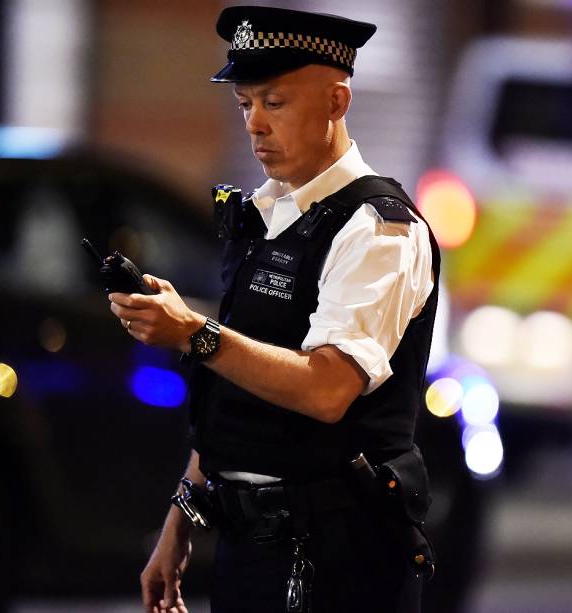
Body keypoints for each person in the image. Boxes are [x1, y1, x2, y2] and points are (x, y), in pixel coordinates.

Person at [107, 5, 440, 613]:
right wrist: (180, 521)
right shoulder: (271, 217)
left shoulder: (378, 231)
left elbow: (327, 389)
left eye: (276, 103)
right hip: (251, 549)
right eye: (244, 105)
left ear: (337, 103)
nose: (255, 124)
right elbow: (236, 396)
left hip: (339, 561)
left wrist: (195, 334)